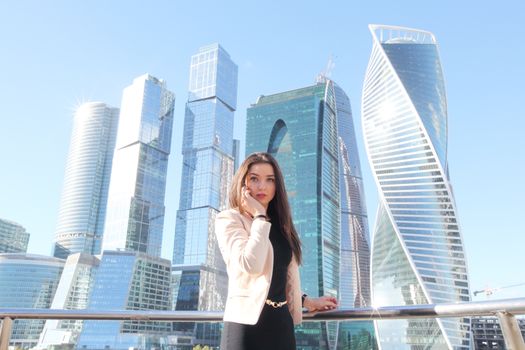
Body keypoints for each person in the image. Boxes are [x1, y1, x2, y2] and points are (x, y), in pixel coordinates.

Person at [215, 152, 338, 350]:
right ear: (243, 183)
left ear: (277, 186)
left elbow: (278, 278)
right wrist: (259, 217)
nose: (262, 186)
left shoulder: (281, 226)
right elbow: (251, 265)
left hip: (281, 325)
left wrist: (308, 301)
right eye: (254, 179)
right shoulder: (229, 219)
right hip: (246, 326)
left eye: (269, 180)